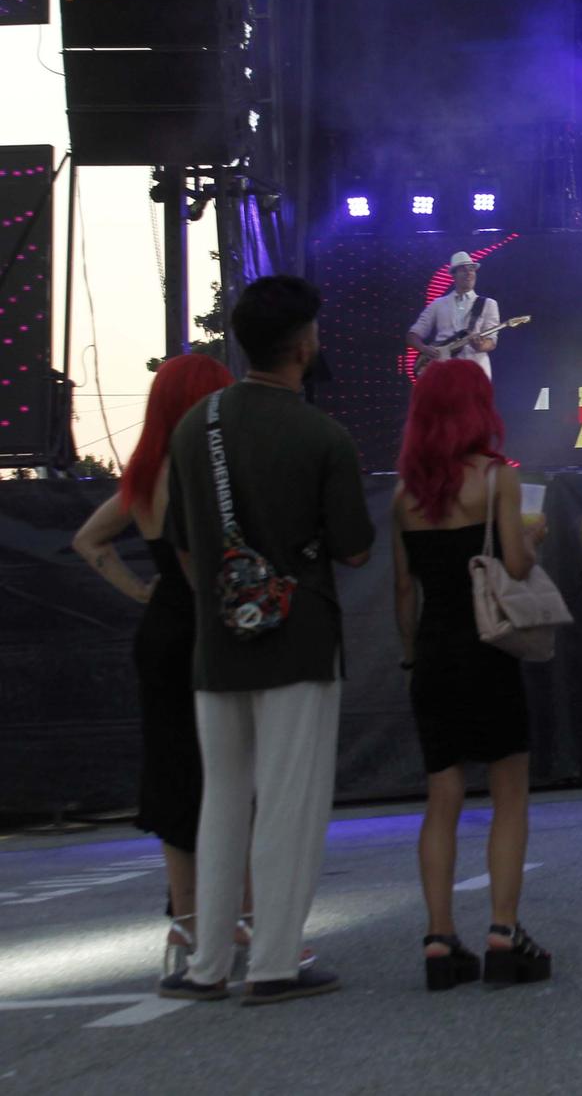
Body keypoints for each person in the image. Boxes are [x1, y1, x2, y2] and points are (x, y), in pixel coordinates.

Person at [158, 275, 374, 1005]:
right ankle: (277, 959)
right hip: (300, 638)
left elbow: (182, 544)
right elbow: (353, 547)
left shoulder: (196, 425)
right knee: (289, 801)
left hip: (216, 640)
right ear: (305, 343)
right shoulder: (322, 433)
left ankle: (206, 963)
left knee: (221, 800)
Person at [71, 354, 235, 977]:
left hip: (161, 628)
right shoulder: (205, 469)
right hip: (209, 628)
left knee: (170, 770)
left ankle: (184, 925)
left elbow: (90, 541)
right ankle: (238, 915)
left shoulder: (144, 475)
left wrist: (141, 592)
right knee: (226, 768)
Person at [391, 359, 550, 991]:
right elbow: (513, 564)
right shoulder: (496, 481)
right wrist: (537, 538)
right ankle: (503, 932)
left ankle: (439, 938)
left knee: (442, 797)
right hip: (489, 652)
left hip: (432, 652)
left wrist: (411, 653)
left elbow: (403, 590)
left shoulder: (405, 496)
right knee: (509, 788)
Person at [407, 250, 501, 378]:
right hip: (443, 372)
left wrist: (479, 345)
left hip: (475, 373)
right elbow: (413, 335)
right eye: (463, 270)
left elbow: (491, 342)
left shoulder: (488, 304)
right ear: (454, 275)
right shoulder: (438, 304)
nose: (469, 273)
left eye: (471, 269)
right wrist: (424, 349)